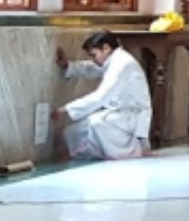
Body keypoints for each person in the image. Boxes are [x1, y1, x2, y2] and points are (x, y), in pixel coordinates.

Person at [53, 31, 153, 161]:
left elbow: (101, 96)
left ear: (106, 48)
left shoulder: (122, 63)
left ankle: (135, 150)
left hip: (131, 117)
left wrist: (65, 109)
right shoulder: (115, 60)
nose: (93, 60)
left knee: (96, 124)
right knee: (72, 132)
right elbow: (92, 69)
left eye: (94, 55)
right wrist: (68, 66)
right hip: (118, 115)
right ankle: (73, 156)